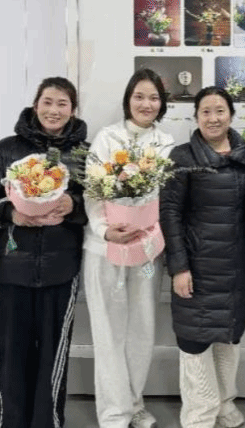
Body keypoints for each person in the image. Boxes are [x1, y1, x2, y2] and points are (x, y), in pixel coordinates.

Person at [0, 76, 88, 428]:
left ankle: (47, 422)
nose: (54, 110)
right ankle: (12, 422)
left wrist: (73, 204)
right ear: (36, 105)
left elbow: (100, 205)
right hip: (12, 268)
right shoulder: (7, 149)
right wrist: (12, 213)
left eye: (62, 104)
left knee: (53, 353)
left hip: (61, 268)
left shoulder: (84, 153)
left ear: (73, 110)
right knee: (11, 351)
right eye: (47, 102)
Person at [160, 87, 245, 428]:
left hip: (234, 267)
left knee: (229, 337)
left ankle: (224, 405)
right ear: (196, 117)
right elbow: (170, 215)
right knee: (194, 341)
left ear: (231, 115)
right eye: (206, 111)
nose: (213, 118)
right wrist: (178, 268)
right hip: (196, 267)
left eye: (220, 110)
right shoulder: (181, 157)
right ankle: (199, 416)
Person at [83, 69, 175, 428]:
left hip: (147, 252)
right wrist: (106, 230)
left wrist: (148, 232)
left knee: (142, 330)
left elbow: (167, 199)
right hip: (104, 250)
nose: (146, 104)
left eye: (153, 97)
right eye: (139, 96)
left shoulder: (166, 143)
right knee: (108, 333)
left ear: (162, 104)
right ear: (127, 100)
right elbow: (93, 192)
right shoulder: (107, 138)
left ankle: (134, 403)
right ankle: (113, 414)